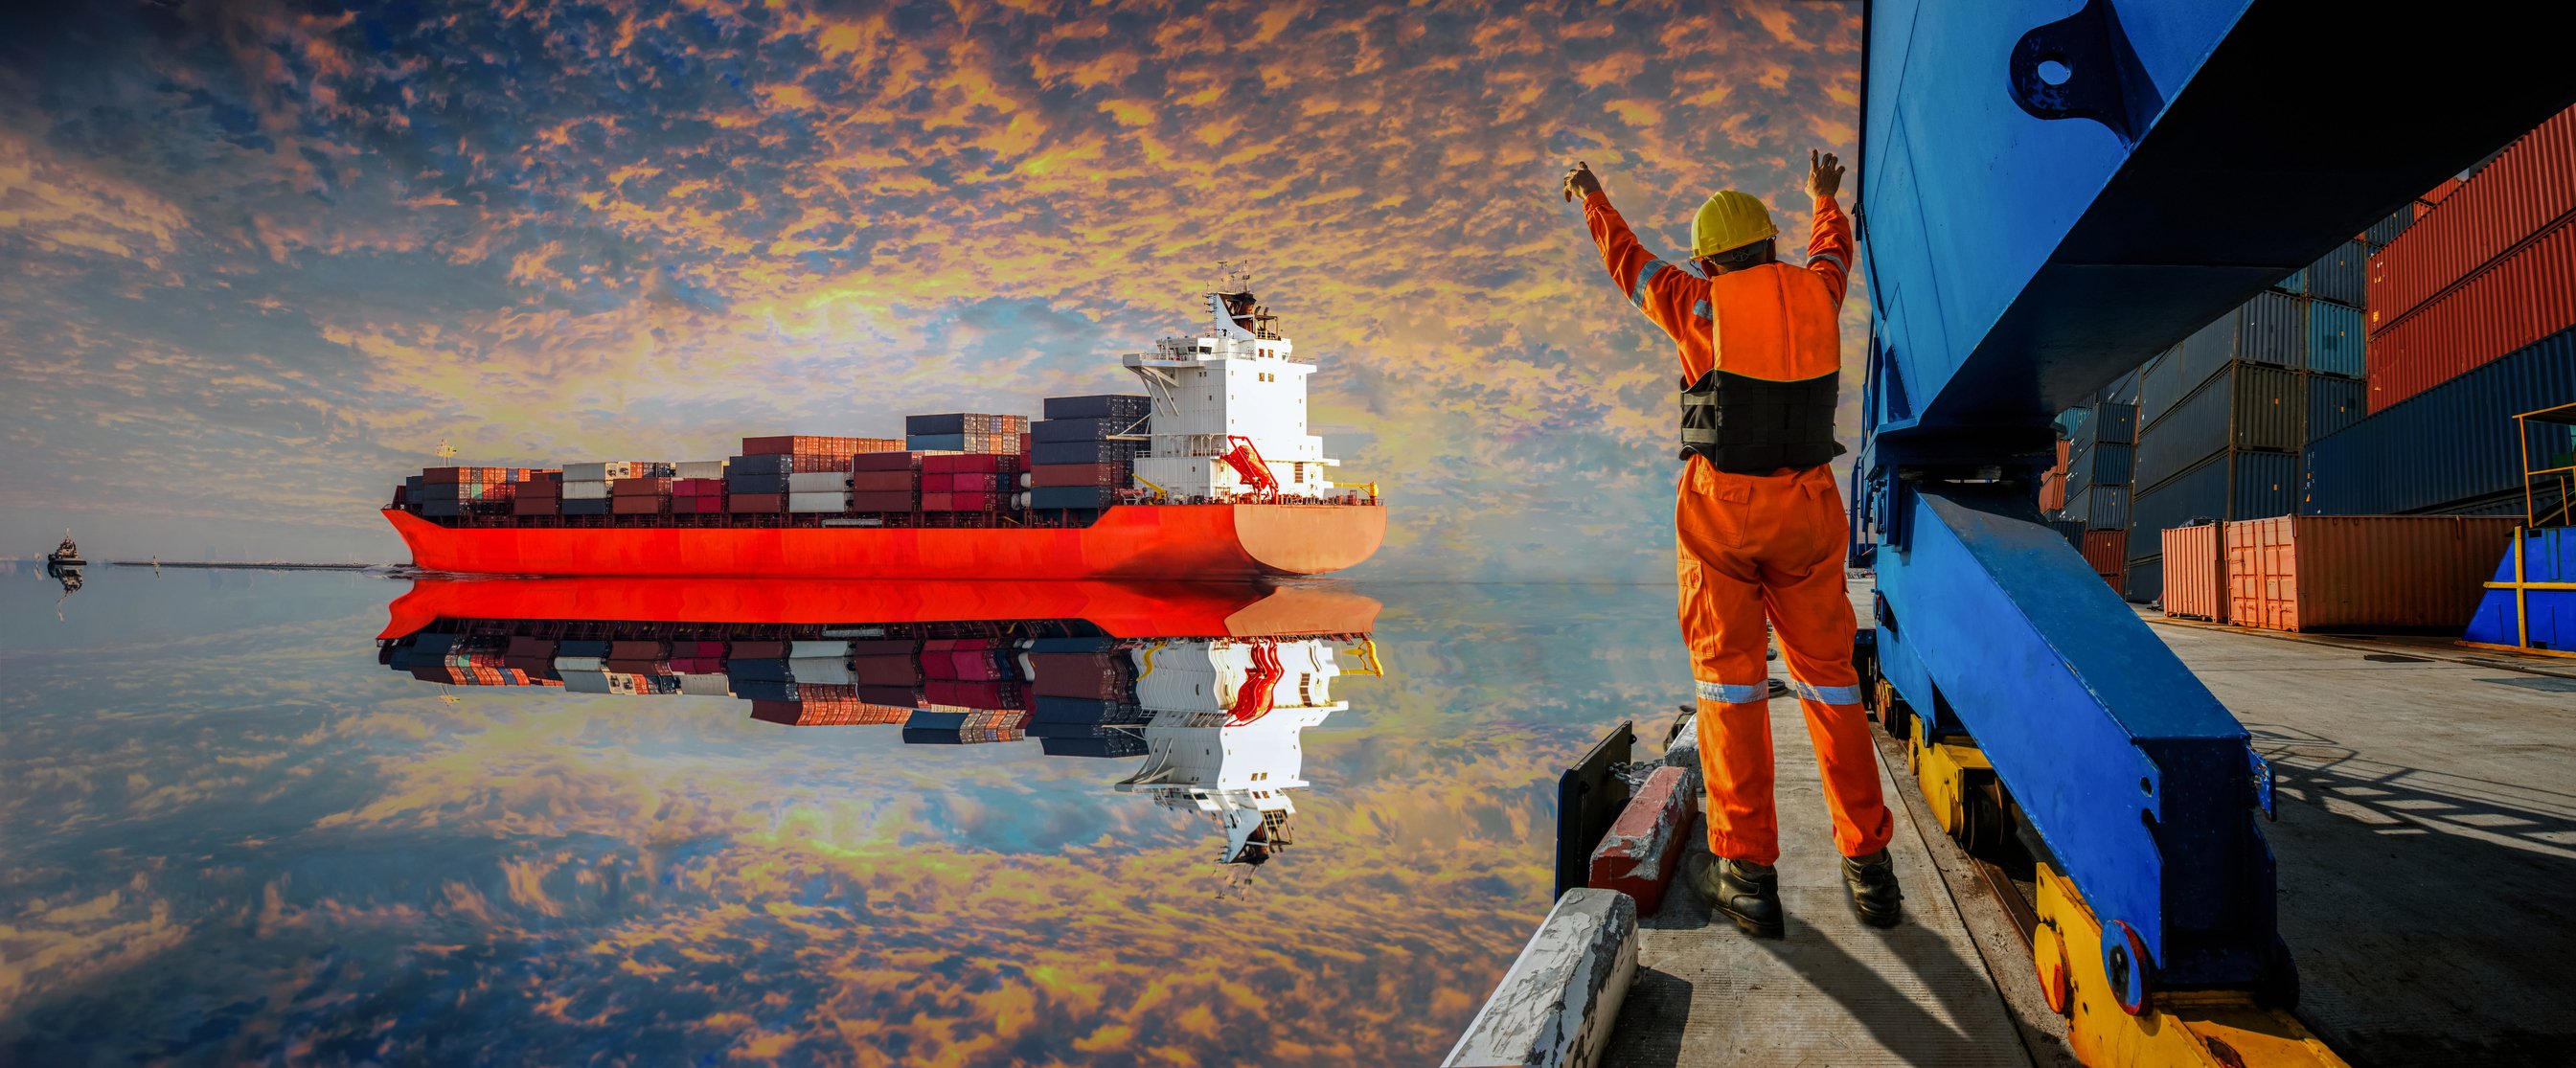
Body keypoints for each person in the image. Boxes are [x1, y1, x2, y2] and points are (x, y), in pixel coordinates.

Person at [1563, 150, 1901, 937]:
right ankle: (1869, 868)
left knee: (1729, 685)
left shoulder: (1695, 301)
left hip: (1723, 511)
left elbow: (1629, 262)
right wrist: (1823, 195)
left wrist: (1592, 196)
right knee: (1832, 684)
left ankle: (1747, 875)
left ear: (1711, 257)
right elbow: (1833, 247)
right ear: (1770, 244)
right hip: (1812, 509)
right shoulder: (1819, 288)